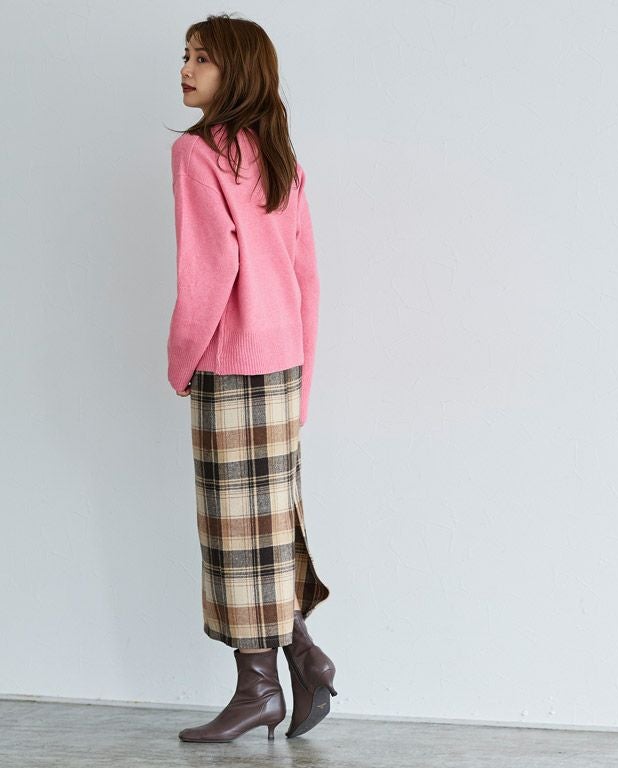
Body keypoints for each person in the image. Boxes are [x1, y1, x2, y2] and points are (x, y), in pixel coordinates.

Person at [165, 14, 337, 743]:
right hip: (282, 365)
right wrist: (304, 383)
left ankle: (260, 688)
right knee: (267, 526)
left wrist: (180, 359)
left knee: (235, 534)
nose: (185, 69)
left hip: (230, 363)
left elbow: (210, 272)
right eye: (185, 55)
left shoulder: (197, 153)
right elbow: (307, 279)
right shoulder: (279, 157)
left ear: (235, 72)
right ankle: (301, 661)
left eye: (201, 59)